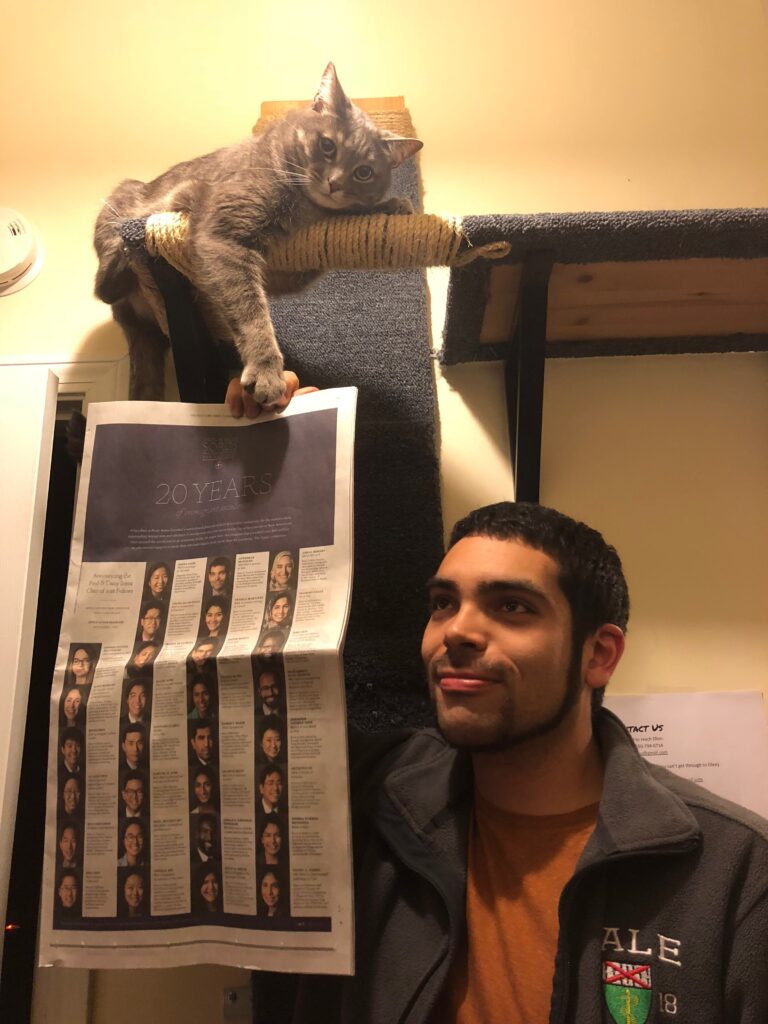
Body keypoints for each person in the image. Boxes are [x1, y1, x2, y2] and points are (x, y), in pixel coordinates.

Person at [288, 501, 768, 1023]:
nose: (456, 631)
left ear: (599, 656)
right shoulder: (367, 799)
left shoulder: (732, 869)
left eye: (512, 606)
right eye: (444, 603)